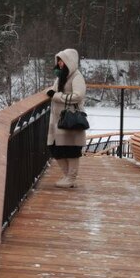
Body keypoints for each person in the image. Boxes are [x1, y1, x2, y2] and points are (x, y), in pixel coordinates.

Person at [46, 48, 86, 188]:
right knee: (55, 147)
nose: (60, 63)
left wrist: (56, 96)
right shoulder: (62, 76)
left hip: (70, 119)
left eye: (62, 60)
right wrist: (51, 92)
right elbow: (54, 90)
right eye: (58, 61)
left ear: (69, 61)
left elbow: (78, 96)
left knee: (71, 150)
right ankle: (67, 176)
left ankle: (70, 178)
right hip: (59, 119)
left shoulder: (76, 76)